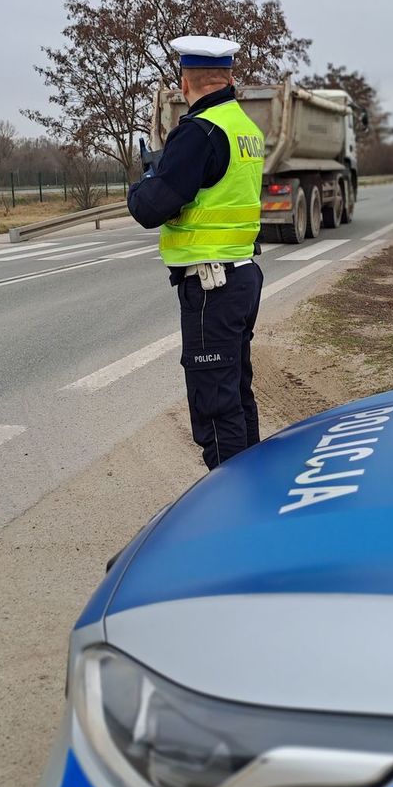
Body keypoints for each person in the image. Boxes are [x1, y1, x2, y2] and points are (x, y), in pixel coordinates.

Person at [128, 36, 265, 471]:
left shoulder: (199, 132)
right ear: (229, 78)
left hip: (211, 288)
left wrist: (144, 180)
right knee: (237, 396)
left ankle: (232, 516)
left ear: (185, 83)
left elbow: (151, 208)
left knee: (215, 409)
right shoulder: (243, 125)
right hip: (240, 276)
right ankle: (255, 492)